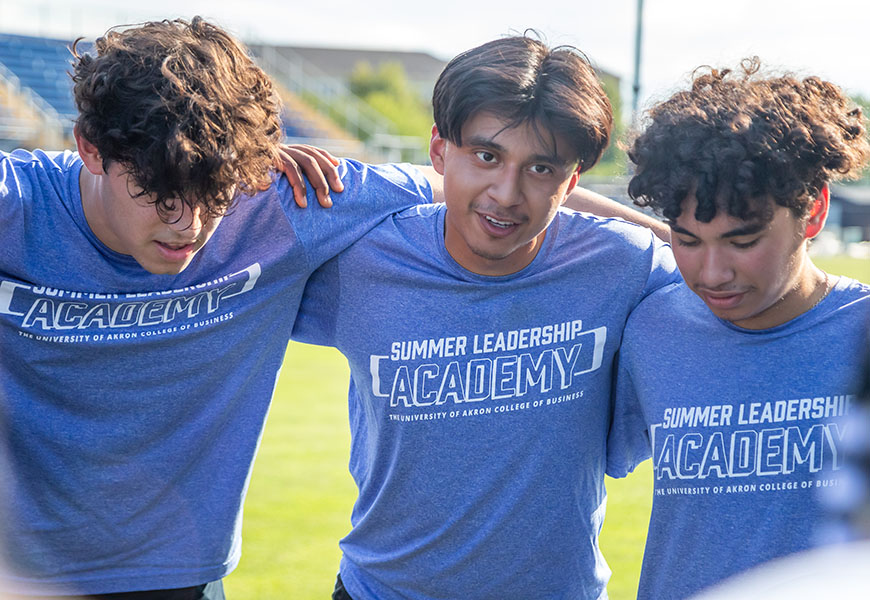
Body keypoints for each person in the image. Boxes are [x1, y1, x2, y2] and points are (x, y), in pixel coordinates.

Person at [0, 17, 434, 599]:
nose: (190, 226)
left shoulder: (284, 199)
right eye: (161, 193)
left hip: (187, 582)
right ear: (90, 148)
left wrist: (605, 240)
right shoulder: (16, 206)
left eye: (215, 195)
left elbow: (483, 190)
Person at [292, 35, 678, 599]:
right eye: (487, 156)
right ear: (439, 150)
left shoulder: (626, 265)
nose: (506, 193)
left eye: (540, 168)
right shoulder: (359, 261)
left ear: (572, 183)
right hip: (380, 591)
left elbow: (741, 294)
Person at [612, 58, 870, 599]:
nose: (712, 274)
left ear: (814, 212)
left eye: (742, 241)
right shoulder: (650, 329)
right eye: (687, 240)